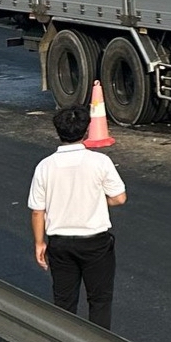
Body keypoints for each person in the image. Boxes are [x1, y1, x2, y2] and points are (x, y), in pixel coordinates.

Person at [29, 102, 127, 329]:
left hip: (60, 243)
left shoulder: (45, 166)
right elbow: (119, 197)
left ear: (58, 132)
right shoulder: (100, 162)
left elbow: (37, 210)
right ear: (86, 131)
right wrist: (96, 200)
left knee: (64, 302)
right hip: (96, 243)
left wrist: (39, 243)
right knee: (99, 300)